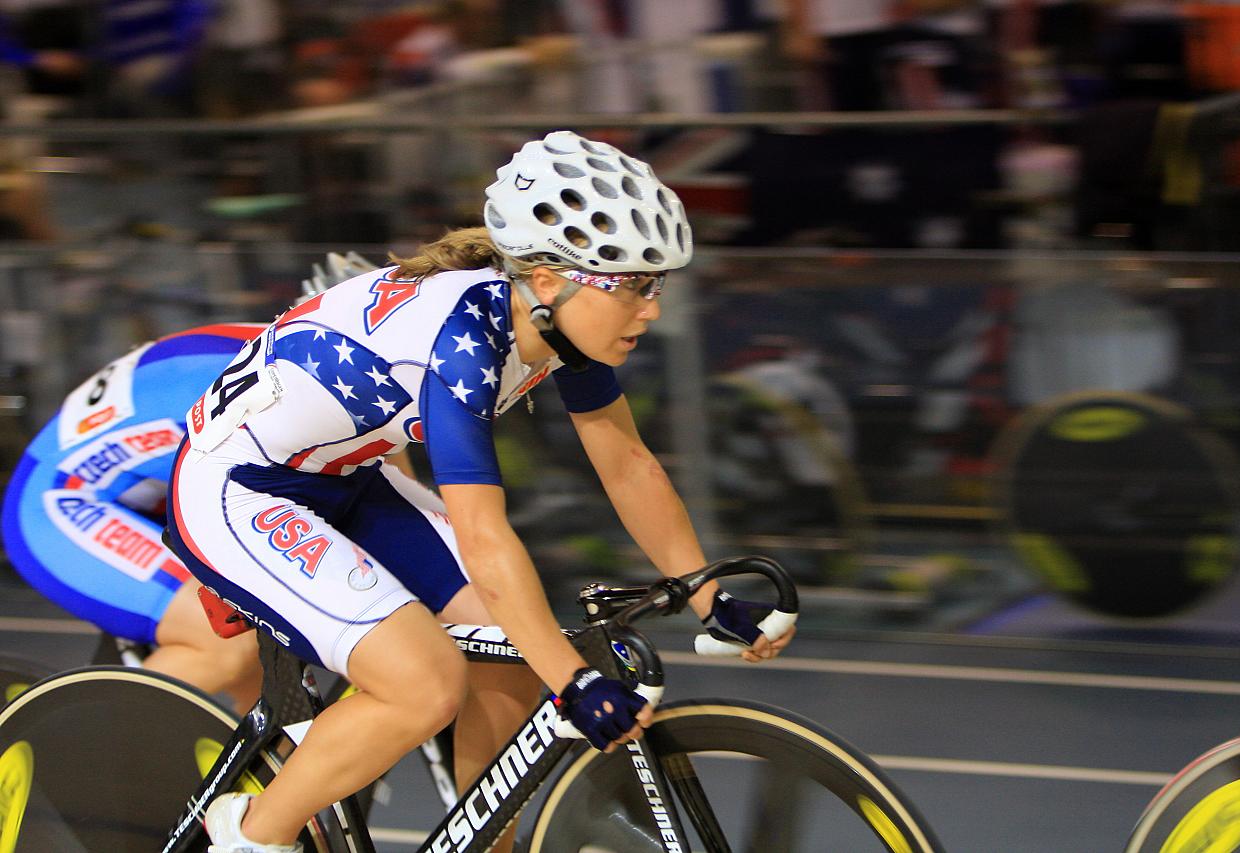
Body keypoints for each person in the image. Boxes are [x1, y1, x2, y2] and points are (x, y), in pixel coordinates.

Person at [170, 130, 795, 853]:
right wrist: (572, 679)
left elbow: (627, 463)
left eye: (657, 284)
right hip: (237, 490)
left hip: (344, 476)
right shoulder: (463, 339)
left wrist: (703, 592)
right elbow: (482, 533)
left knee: (508, 659)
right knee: (425, 684)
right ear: (555, 278)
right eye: (633, 285)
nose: (651, 309)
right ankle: (250, 836)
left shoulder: (556, 325)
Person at [0, 253, 379, 715]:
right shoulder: (279, 386)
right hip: (60, 501)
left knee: (273, 683)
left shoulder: (309, 362)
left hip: (141, 489)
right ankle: (77, 758)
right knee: (226, 645)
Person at [1, 322, 267, 712]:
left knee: (266, 658)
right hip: (62, 501)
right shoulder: (293, 383)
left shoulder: (302, 341)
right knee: (225, 643)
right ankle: (69, 759)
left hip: (125, 490)